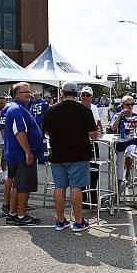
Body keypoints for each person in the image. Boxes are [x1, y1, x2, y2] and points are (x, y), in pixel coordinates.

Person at [42, 81, 98, 232]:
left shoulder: (51, 109)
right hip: (78, 154)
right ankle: (78, 221)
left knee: (59, 187)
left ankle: (60, 220)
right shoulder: (84, 110)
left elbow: (45, 131)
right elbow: (94, 135)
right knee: (76, 187)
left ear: (62, 93)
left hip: (57, 154)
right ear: (77, 94)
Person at [4, 82, 43, 225]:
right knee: (23, 187)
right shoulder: (17, 109)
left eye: (29, 91)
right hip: (21, 155)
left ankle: (13, 213)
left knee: (17, 185)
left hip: (16, 154)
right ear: (16, 95)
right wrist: (27, 151)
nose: (29, 94)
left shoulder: (18, 108)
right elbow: (20, 132)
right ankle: (21, 215)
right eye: (25, 92)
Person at [109, 95, 137, 189]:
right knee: (119, 165)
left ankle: (128, 172)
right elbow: (113, 128)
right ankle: (117, 188)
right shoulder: (118, 115)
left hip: (132, 141)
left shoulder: (136, 116)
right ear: (122, 106)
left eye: (132, 104)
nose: (130, 107)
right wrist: (119, 116)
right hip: (121, 142)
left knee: (129, 153)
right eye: (127, 104)